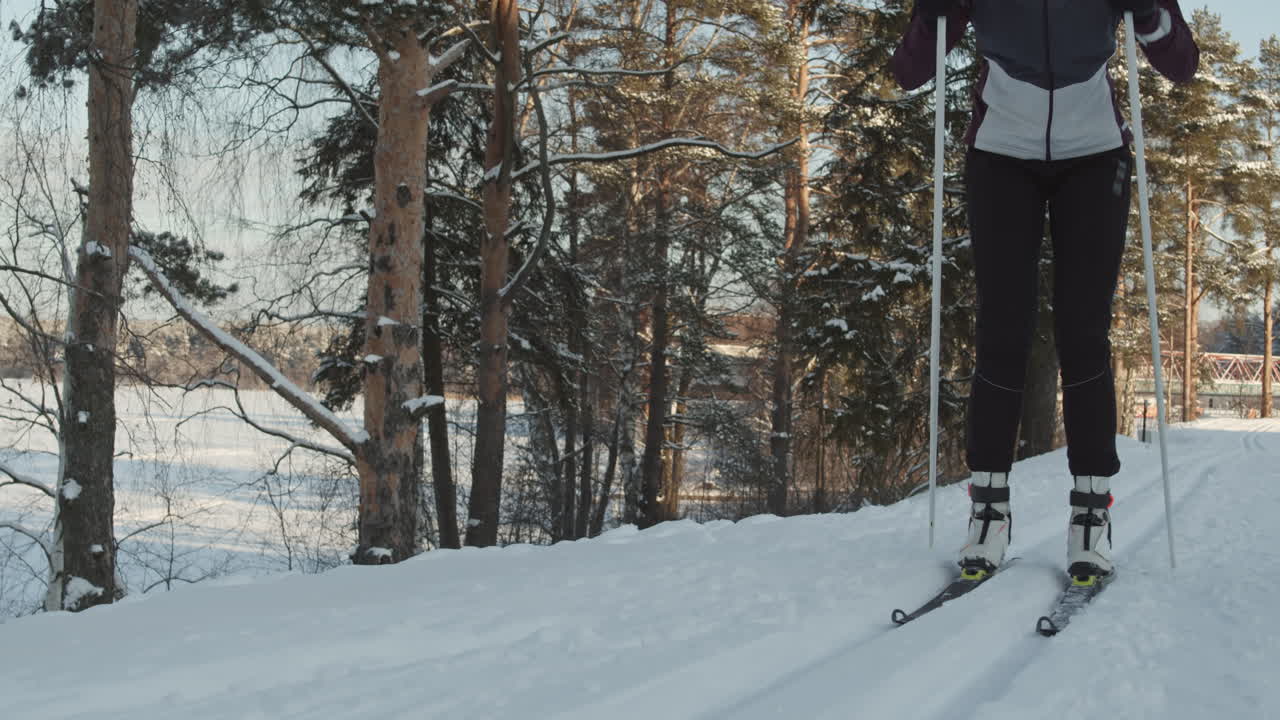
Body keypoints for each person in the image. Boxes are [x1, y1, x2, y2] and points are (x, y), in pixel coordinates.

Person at [891, 0, 1199, 579]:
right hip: (1002, 153)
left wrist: (1151, 11)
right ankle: (988, 513)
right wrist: (934, 15)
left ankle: (1090, 518)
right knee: (1003, 327)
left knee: (1083, 331)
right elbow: (909, 72)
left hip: (1094, 152)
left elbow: (1181, 62)